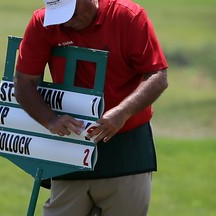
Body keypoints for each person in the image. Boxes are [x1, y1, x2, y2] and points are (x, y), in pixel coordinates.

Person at [14, 0, 168, 215]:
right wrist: (50, 120)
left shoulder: (128, 16)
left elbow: (157, 75)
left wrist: (122, 113)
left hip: (126, 145)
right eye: (59, 14)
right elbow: (24, 82)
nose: (66, 21)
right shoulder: (44, 22)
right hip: (70, 143)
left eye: (71, 11)